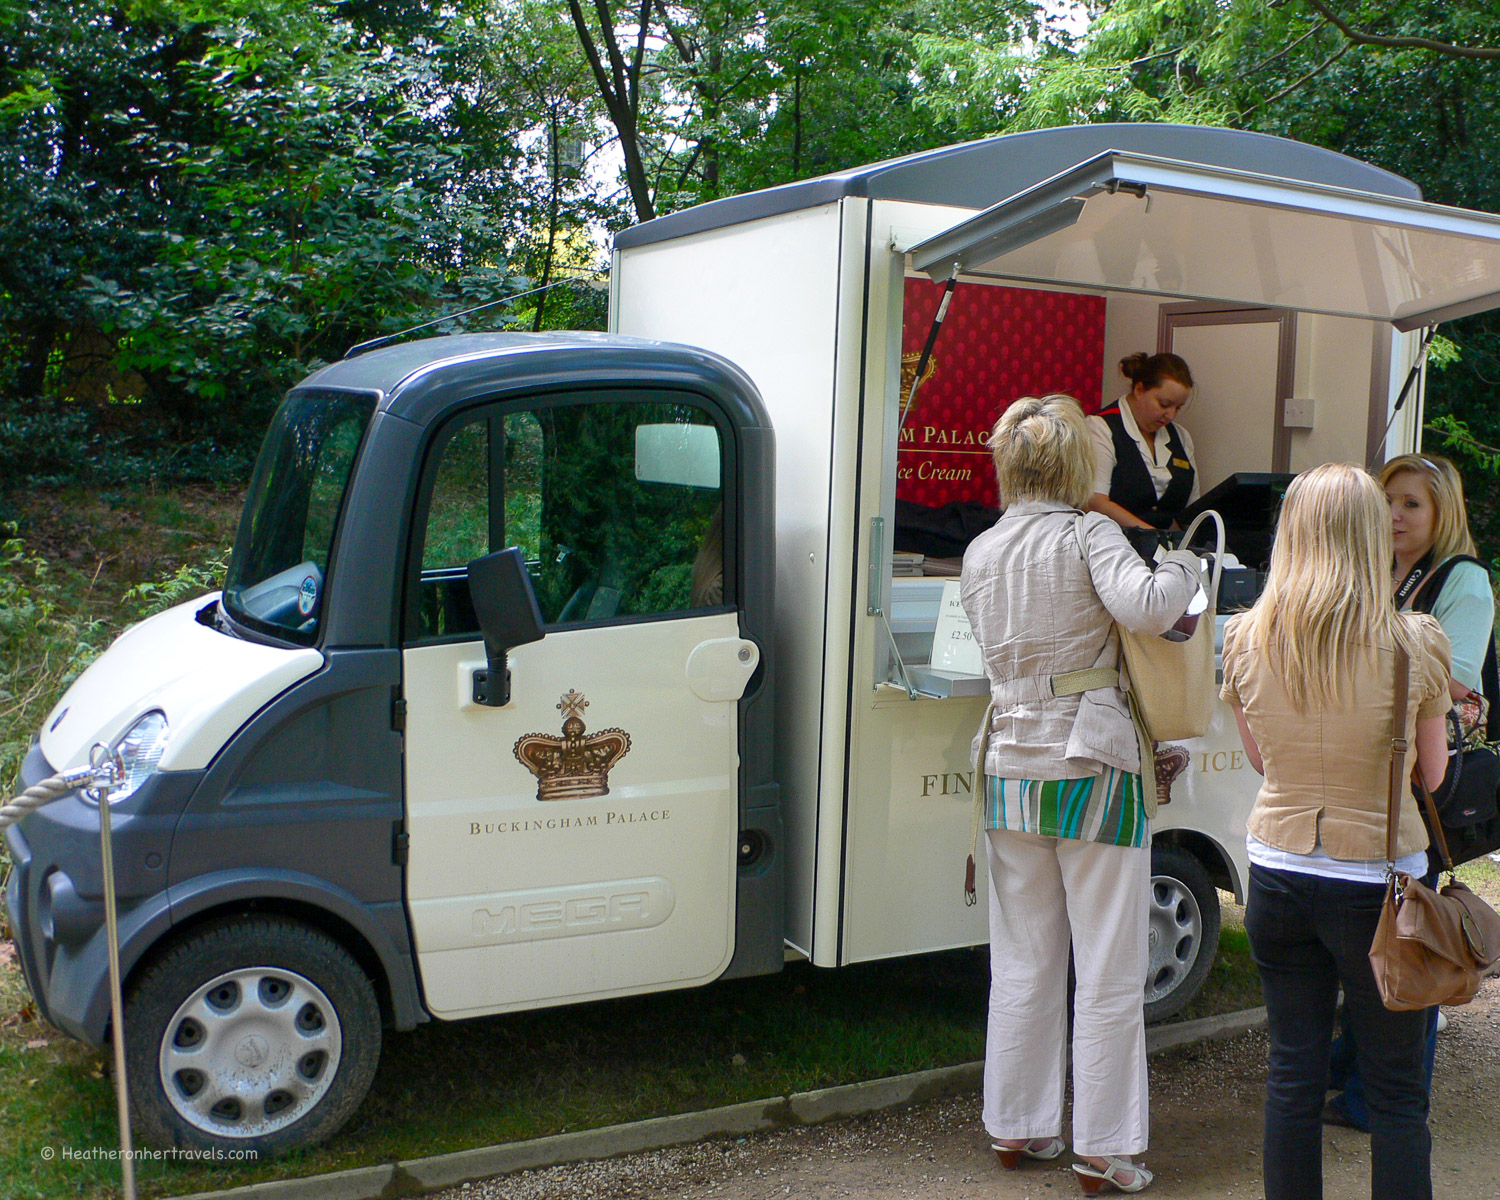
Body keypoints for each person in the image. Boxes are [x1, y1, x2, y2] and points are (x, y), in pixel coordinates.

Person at [960, 393, 1200, 1195]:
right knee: (1108, 962)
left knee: (1023, 956)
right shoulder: (1088, 531)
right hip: (1092, 764)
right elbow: (1149, 608)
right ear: (1075, 467)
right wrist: (1186, 565)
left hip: (1007, 768)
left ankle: (1015, 1125)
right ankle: (1104, 1147)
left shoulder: (982, 548)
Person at [1220, 462, 1451, 1200]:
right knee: (1395, 1093)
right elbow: (1434, 774)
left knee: (1292, 1076)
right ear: (1367, 533)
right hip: (1378, 883)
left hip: (1278, 871)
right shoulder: (1413, 641)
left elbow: (1262, 759)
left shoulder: (1247, 636)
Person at [1324, 452, 1495, 1131]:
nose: (1394, 514)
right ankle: (1351, 1070)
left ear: (1441, 514)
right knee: (1367, 934)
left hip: (1424, 781)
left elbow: (1456, 682)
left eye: (1411, 504)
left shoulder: (1464, 580)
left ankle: (1381, 1098)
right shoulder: (1373, 572)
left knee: (1411, 933)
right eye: (1386, 499)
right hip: (1366, 769)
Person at [1087, 352, 1200, 530]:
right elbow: (1096, 502)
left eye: (1177, 408)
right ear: (1139, 390)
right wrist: (1154, 537)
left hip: (1169, 552)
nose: (1171, 415)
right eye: (1164, 404)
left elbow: (1192, 511)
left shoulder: (1181, 437)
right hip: (1114, 547)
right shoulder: (1101, 428)